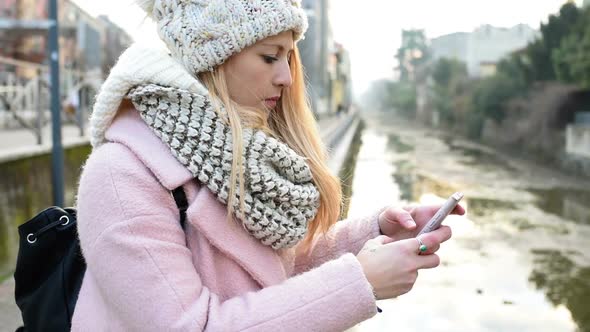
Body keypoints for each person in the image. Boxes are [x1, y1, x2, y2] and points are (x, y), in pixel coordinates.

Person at [72, 0, 465, 330]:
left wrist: (375, 232)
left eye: (289, 58)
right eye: (270, 56)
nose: (287, 78)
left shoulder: (234, 150)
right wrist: (358, 281)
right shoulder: (120, 174)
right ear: (214, 57)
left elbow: (269, 266)